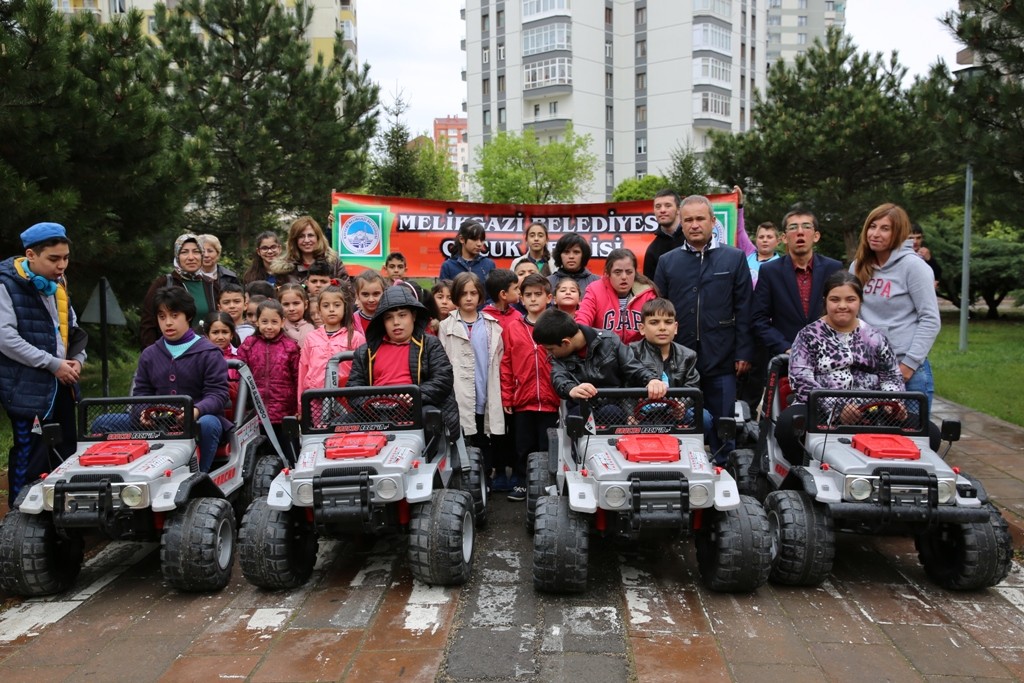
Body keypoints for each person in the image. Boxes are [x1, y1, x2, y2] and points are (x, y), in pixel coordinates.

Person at [653, 195, 752, 459]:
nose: (694, 225)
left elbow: (744, 309)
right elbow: (658, 311)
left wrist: (743, 352)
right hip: (678, 359)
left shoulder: (734, 258)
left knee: (723, 422)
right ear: (681, 223)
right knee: (678, 419)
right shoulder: (668, 261)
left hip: (722, 356)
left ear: (712, 221)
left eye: (700, 219)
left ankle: (723, 468)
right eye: (688, 220)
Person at [0, 222, 86, 505]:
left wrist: (77, 360)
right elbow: (6, 338)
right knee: (31, 457)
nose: (62, 265)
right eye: (54, 259)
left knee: (66, 453)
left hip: (61, 385)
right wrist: (52, 364)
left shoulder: (58, 284)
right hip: (28, 391)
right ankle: (19, 521)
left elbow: (72, 329)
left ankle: (61, 521)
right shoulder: (5, 284)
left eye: (66, 258)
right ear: (30, 255)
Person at [776, 272, 906, 456]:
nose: (842, 306)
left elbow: (891, 376)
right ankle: (802, 473)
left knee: (929, 431)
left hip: (872, 408)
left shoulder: (876, 337)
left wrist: (893, 403)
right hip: (818, 407)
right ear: (825, 301)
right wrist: (838, 409)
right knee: (788, 424)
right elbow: (801, 380)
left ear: (860, 301)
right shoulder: (808, 336)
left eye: (850, 299)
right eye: (835, 299)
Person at [748, 207, 843, 411]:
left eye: (806, 227)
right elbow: (758, 319)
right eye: (793, 228)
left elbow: (844, 313)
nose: (800, 232)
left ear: (816, 236)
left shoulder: (834, 269)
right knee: (785, 422)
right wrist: (786, 348)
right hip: (786, 361)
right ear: (784, 237)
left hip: (829, 362)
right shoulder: (770, 271)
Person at [851, 203, 940, 409]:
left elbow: (930, 319)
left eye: (885, 228)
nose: (875, 234)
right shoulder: (858, 266)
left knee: (911, 440)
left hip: (908, 372)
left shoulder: (914, 267)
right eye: (872, 227)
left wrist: (908, 366)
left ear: (898, 232)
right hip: (867, 369)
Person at [135, 287, 231, 472]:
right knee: (105, 422)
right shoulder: (150, 354)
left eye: (174, 315)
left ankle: (199, 476)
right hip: (157, 420)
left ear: (187, 316)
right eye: (162, 317)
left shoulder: (209, 352)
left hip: (198, 419)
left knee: (208, 423)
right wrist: (142, 413)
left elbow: (218, 394)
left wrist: (195, 411)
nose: (168, 323)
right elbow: (140, 394)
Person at [347, 285, 461, 442]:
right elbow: (353, 387)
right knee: (336, 426)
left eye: (402, 315)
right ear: (382, 321)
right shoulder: (365, 351)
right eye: (389, 317)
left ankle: (429, 459)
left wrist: (414, 396)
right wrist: (370, 405)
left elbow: (443, 379)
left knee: (430, 417)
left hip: (417, 408)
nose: (396, 322)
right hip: (374, 414)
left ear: (413, 316)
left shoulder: (430, 344)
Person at [439, 272, 505, 490]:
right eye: (464, 293)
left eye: (473, 293)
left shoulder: (491, 325)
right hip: (458, 395)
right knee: (462, 438)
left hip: (485, 391)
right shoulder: (445, 326)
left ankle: (485, 479)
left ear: (480, 296)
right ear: (456, 296)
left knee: (484, 437)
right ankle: (465, 483)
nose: (469, 298)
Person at [500, 273, 559, 502]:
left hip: (551, 400)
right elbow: (506, 364)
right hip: (523, 398)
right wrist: (507, 396)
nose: (533, 299)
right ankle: (522, 482)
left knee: (547, 446)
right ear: (521, 300)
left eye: (538, 294)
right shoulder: (513, 328)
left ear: (549, 297)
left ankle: (547, 485)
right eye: (528, 295)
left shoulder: (557, 324)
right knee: (523, 445)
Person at [532, 309, 667, 402]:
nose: (549, 353)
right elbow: (558, 378)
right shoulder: (558, 358)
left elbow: (633, 366)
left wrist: (651, 380)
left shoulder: (610, 341)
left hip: (615, 406)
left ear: (565, 342)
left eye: (550, 349)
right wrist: (572, 389)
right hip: (582, 407)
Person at [629, 298, 712, 436]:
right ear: (642, 329)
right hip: (641, 415)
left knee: (704, 417)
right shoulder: (631, 352)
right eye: (654, 322)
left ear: (676, 327)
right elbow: (624, 385)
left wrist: (682, 405)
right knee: (610, 412)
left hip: (672, 415)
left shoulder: (688, 355)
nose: (662, 327)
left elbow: (692, 387)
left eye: (668, 322)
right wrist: (630, 414)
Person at [237, 299, 301, 443]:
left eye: (274, 322)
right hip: (255, 411)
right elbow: (239, 374)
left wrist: (298, 407)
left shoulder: (290, 347)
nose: (269, 327)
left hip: (284, 410)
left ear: (282, 322)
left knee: (288, 450)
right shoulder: (249, 345)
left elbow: (298, 377)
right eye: (264, 322)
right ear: (257, 322)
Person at [139, 233, 219, 349]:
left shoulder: (211, 285)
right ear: (177, 255)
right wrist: (152, 356)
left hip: (205, 354)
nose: (191, 257)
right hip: (171, 354)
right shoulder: (163, 284)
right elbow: (148, 324)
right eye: (184, 252)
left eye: (196, 252)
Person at [574, 248, 656, 345]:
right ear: (608, 273)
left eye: (629, 272)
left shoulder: (647, 294)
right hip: (604, 355)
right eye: (618, 272)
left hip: (638, 356)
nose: (624, 277)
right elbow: (582, 320)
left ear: (635, 272)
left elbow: (656, 328)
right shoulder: (595, 290)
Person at [298, 283, 365, 395]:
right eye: (326, 306)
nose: (331, 309)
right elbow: (303, 369)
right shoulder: (311, 337)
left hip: (346, 399)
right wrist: (302, 404)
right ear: (319, 310)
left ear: (345, 308)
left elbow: (363, 372)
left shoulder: (355, 337)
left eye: (337, 305)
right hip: (315, 398)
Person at [271, 216, 347, 286]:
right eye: (301, 236)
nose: (306, 240)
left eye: (310, 235)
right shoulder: (283, 269)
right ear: (294, 240)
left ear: (318, 237)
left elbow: (347, 292)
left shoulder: (334, 262)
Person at [203, 312, 240, 410]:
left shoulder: (240, 356)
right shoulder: (201, 358)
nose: (220, 337)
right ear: (207, 335)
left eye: (224, 332)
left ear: (231, 334)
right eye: (215, 333)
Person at [278, 283, 314, 347]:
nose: (291, 309)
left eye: (296, 303)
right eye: (286, 304)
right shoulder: (276, 328)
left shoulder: (312, 330)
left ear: (305, 304)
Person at [352, 270, 387, 335]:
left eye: (376, 294)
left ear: (384, 293)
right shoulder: (352, 321)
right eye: (365, 294)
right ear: (357, 295)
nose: (371, 300)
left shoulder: (388, 317)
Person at [747, 222, 781, 289]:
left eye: (769, 237)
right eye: (761, 237)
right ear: (756, 240)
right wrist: (740, 211)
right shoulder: (748, 254)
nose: (765, 240)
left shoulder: (781, 266)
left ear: (778, 241)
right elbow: (740, 230)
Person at [910, 223, 942, 290]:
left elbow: (937, 275)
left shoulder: (924, 253)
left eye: (918, 238)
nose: (915, 241)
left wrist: (929, 259)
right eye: (911, 238)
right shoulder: (898, 254)